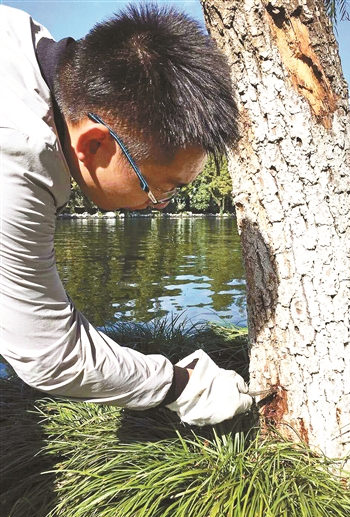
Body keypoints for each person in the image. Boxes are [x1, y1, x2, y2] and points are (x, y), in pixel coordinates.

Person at [0, 3, 252, 425]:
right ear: (96, 145)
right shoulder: (16, 155)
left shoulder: (25, 41)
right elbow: (49, 354)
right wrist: (180, 385)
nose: (163, 204)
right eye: (160, 186)